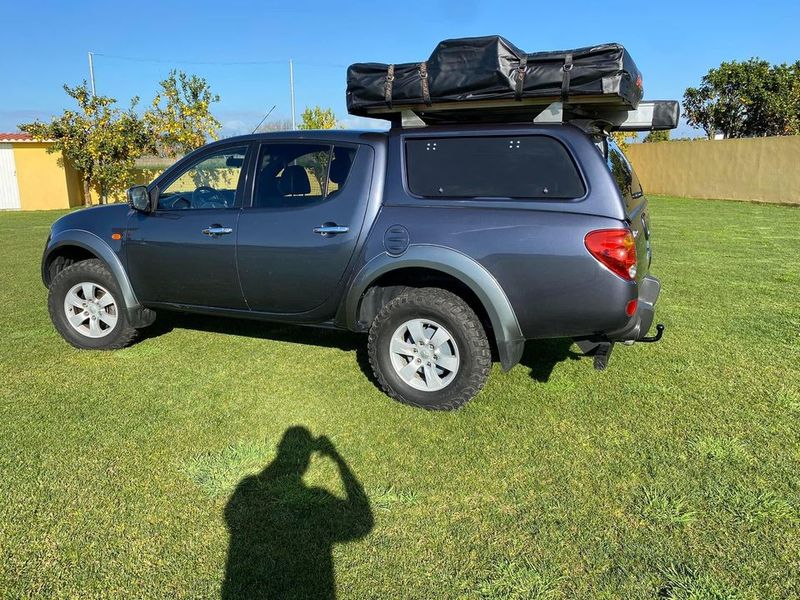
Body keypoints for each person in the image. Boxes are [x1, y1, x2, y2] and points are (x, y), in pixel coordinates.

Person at [222, 427, 373, 599]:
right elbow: (363, 520)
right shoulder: (317, 495)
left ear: (279, 448)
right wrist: (337, 458)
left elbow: (231, 516)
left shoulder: (249, 485)